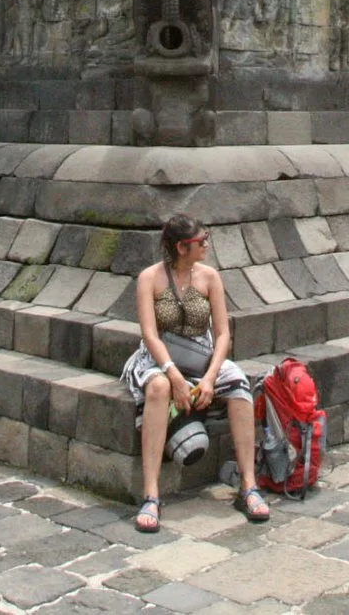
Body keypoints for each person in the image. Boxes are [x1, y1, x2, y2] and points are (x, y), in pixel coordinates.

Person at [122, 215, 267, 531]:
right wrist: (173, 374)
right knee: (158, 389)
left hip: (202, 356)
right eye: (201, 241)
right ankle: (151, 493)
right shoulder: (150, 278)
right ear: (181, 247)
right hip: (160, 357)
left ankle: (248, 484)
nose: (206, 245)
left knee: (241, 386)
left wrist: (211, 378)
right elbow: (149, 333)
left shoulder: (210, 277)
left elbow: (224, 333)